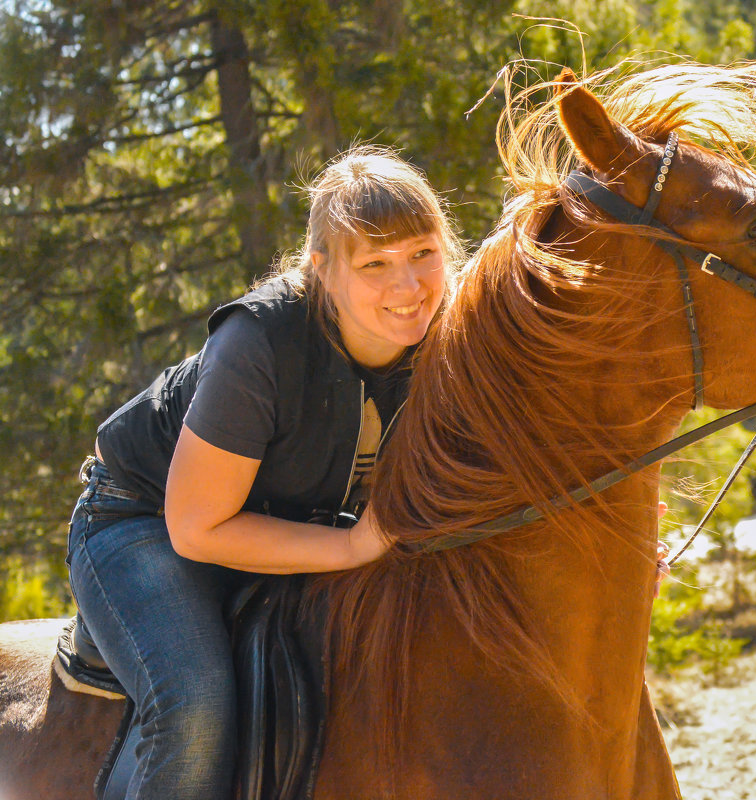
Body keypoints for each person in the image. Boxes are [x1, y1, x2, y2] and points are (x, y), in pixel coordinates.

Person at [66, 144, 464, 799]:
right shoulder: (259, 343)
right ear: (323, 271)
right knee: (193, 708)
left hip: (290, 520)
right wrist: (351, 545)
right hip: (144, 521)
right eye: (375, 263)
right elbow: (196, 528)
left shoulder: (450, 330)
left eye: (424, 253)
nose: (408, 286)